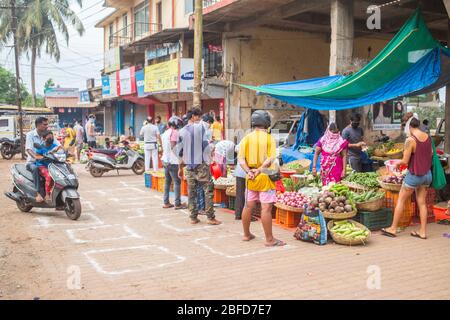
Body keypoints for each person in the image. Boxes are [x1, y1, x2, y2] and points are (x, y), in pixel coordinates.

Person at [238, 110, 285, 247]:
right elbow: (270, 159)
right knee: (266, 209)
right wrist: (259, 170)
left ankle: (246, 235)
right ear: (267, 123)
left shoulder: (246, 138)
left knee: (248, 206)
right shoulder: (269, 138)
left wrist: (249, 171)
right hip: (264, 176)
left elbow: (240, 158)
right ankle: (270, 239)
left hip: (250, 177)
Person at [381, 117, 433, 239]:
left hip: (414, 175)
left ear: (409, 127)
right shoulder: (427, 137)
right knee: (422, 203)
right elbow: (429, 154)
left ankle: (393, 228)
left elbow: (405, 160)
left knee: (401, 200)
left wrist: (395, 164)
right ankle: (423, 232)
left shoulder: (410, 140)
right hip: (427, 175)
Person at [178, 107, 221, 225]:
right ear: (193, 117)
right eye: (198, 116)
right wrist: (211, 158)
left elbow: (179, 152)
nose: (200, 119)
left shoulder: (181, 131)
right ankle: (210, 217)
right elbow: (205, 146)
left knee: (192, 192)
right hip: (201, 164)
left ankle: (193, 217)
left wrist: (180, 168)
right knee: (208, 190)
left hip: (189, 166)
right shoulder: (199, 128)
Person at [25, 117, 60, 203]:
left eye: (47, 124)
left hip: (46, 161)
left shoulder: (48, 134)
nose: (47, 126)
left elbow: (58, 145)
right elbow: (29, 149)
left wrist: (61, 149)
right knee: (35, 168)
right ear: (38, 125)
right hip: (33, 162)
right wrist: (35, 156)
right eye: (45, 124)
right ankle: (37, 194)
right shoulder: (30, 135)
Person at [161, 116, 187, 210]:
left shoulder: (165, 133)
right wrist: (181, 157)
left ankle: (166, 202)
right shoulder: (174, 132)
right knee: (177, 182)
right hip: (173, 161)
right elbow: (173, 147)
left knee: (167, 182)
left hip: (165, 160)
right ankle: (177, 203)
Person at [35, 131, 62, 202]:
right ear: (44, 139)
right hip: (42, 165)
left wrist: (59, 150)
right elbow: (36, 156)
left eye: (52, 137)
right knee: (49, 176)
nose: (51, 138)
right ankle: (47, 195)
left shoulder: (53, 146)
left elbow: (60, 149)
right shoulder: (41, 147)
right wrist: (44, 157)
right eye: (49, 137)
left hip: (51, 165)